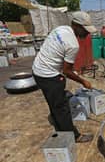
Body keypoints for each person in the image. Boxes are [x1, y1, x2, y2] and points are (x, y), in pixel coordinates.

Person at [32, 11, 96, 143]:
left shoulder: (60, 29)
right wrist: (83, 81)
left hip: (37, 70)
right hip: (48, 75)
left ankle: (60, 128)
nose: (87, 33)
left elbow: (58, 56)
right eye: (85, 30)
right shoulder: (73, 44)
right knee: (62, 108)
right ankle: (74, 136)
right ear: (76, 25)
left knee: (53, 103)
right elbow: (67, 71)